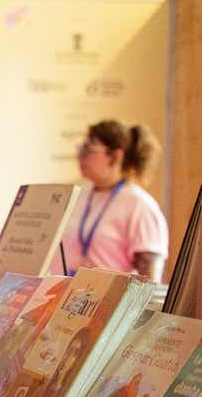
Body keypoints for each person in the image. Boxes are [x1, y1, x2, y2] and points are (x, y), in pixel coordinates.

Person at [56, 119, 168, 281]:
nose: (79, 156)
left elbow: (149, 283)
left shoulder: (139, 205)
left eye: (88, 150)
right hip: (65, 298)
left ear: (115, 156)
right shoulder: (77, 197)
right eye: (81, 149)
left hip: (111, 304)